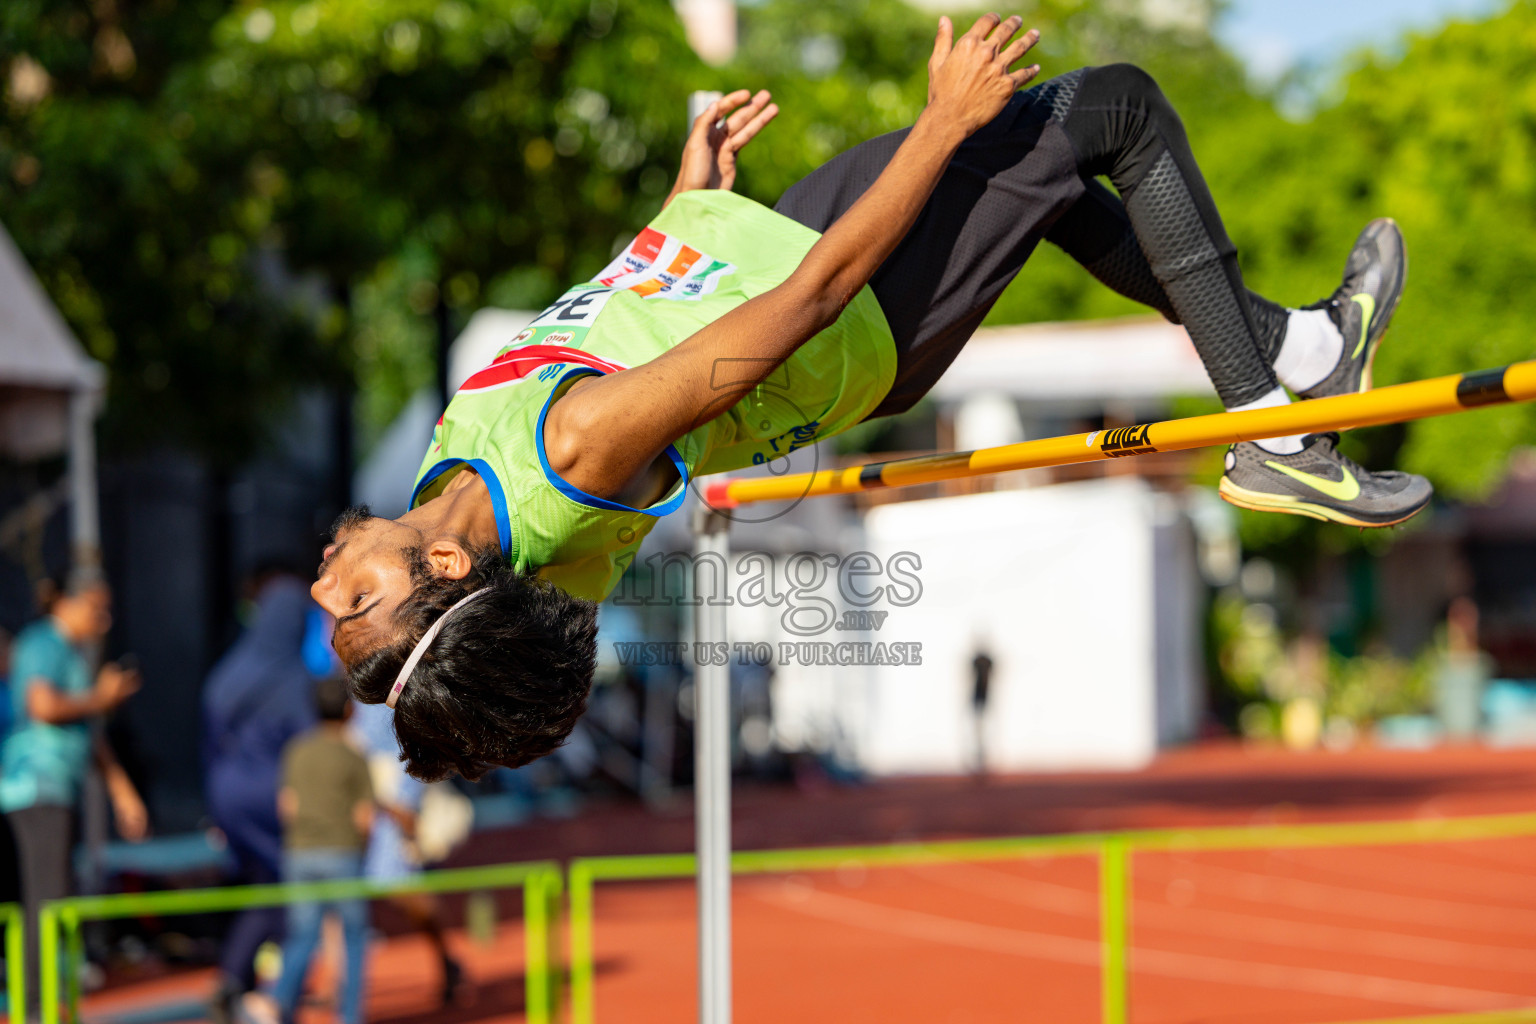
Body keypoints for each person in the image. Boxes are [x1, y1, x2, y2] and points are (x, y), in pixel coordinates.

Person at [314, 15, 1429, 781]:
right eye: (349, 606)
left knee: (1051, 175)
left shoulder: (448, 480)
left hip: (748, 244)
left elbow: (602, 326)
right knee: (1116, 111)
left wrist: (677, 213)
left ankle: (1305, 345)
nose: (327, 584)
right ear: (445, 570)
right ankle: (1265, 433)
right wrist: (940, 122)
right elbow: (809, 301)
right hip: (852, 313)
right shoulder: (578, 454)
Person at [2, 579, 147, 1010]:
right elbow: (42, 706)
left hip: (55, 789)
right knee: (45, 900)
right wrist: (100, 697)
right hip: (35, 787)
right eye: (95, 608)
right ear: (64, 602)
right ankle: (33, 1006)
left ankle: (43, 999)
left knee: (53, 897)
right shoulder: (44, 643)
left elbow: (91, 735)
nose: (103, 620)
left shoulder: (71, 653)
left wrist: (122, 792)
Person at [201, 571, 319, 1024]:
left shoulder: (228, 671)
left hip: (225, 791)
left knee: (263, 885)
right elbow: (307, 747)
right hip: (274, 794)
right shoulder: (294, 679)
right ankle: (277, 999)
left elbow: (209, 740)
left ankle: (234, 979)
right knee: (294, 893)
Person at [349, 700, 464, 1006]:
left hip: (390, 804)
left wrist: (405, 804)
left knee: (402, 889)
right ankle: (340, 992)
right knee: (339, 899)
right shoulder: (351, 693)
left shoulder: (390, 691)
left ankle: (446, 959)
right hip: (358, 802)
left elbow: (412, 743)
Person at [274, 677, 373, 1024]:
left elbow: (287, 806)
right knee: (355, 937)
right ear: (349, 710)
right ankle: (350, 1016)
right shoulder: (353, 755)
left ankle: (276, 1004)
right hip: (342, 852)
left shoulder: (296, 751)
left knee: (302, 935)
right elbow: (364, 819)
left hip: (299, 852)